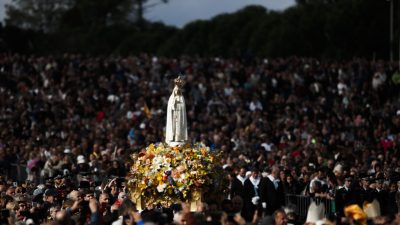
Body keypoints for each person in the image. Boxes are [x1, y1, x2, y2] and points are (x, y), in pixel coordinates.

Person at [166, 76, 188, 145]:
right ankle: (172, 137)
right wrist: (173, 104)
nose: (177, 91)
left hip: (179, 115)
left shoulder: (181, 98)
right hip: (173, 114)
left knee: (179, 125)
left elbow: (183, 108)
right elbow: (170, 107)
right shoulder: (171, 98)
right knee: (173, 126)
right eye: (175, 90)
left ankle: (178, 138)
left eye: (178, 90)